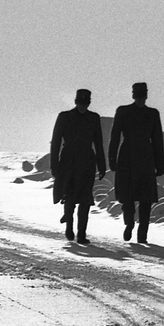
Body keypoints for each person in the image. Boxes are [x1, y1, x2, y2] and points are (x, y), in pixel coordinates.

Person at [108, 82, 164, 244]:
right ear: (134, 96)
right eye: (138, 97)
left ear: (146, 96)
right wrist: (112, 160)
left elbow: (157, 140)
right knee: (128, 196)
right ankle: (129, 222)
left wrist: (160, 164)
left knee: (146, 199)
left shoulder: (153, 114)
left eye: (143, 97)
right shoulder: (123, 111)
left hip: (146, 158)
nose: (141, 100)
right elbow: (115, 137)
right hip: (127, 157)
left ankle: (142, 236)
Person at [51, 89, 107, 244]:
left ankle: (81, 233)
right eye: (80, 103)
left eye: (86, 103)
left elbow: (98, 143)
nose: (83, 106)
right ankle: (69, 225)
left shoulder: (93, 118)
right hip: (68, 161)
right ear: (76, 102)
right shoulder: (64, 117)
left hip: (87, 162)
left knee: (85, 199)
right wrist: (54, 165)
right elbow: (56, 142)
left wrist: (102, 165)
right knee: (69, 195)